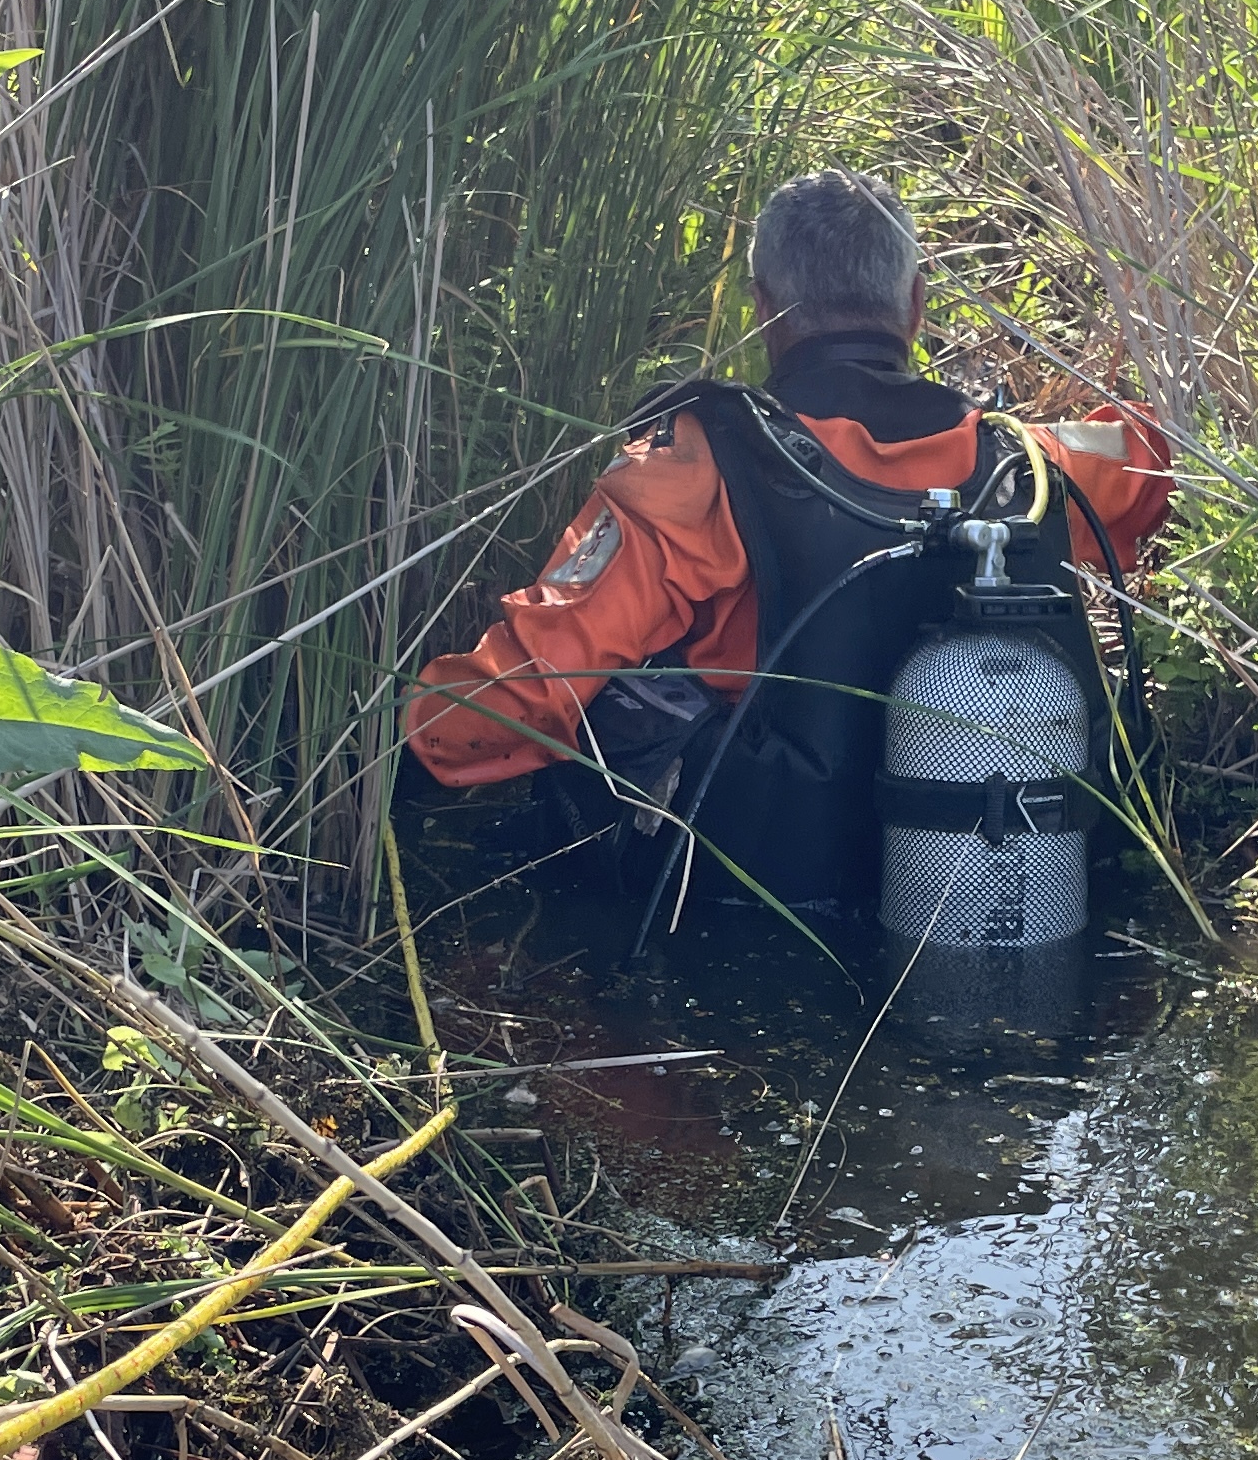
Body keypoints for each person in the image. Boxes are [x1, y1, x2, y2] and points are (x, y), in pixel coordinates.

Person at [402, 170, 1172, 917]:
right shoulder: (1033, 465)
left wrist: (390, 754)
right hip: (1008, 881)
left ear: (765, 310)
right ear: (915, 304)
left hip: (763, 893)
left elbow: (532, 689)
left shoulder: (695, 469)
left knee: (616, 704)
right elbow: (1149, 455)